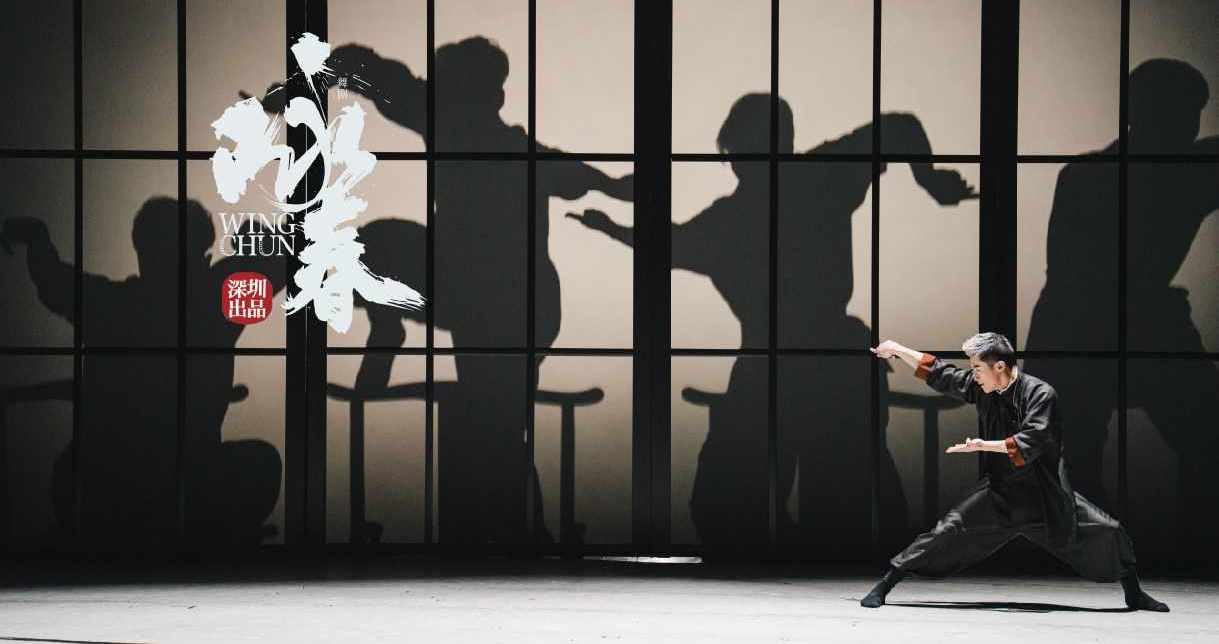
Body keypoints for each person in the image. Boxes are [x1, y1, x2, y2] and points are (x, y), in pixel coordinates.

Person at [256, 36, 632, 543]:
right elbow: (375, 70)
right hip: (477, 293)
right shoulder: (471, 129)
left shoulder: (484, 135)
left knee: (495, 421)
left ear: (488, 95)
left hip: (510, 304)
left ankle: (516, 529)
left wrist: (302, 88)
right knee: (376, 246)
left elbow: (376, 73)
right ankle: (518, 528)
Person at [572, 93, 974, 546]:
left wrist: (613, 229)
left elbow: (669, 244)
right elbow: (898, 127)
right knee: (843, 507)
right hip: (831, 362)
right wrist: (928, 178)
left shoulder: (733, 219)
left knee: (745, 505)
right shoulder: (818, 177)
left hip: (778, 365)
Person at [1, 198, 284, 545]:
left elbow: (51, 279)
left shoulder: (109, 304)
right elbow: (287, 262)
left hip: (101, 491)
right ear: (203, 255)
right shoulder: (217, 301)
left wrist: (38, 238)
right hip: (188, 485)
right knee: (262, 462)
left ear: (141, 250)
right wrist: (257, 243)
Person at [1024, 58, 1219, 555]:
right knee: (1200, 431)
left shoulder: (1085, 175)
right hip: (1121, 318)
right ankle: (1184, 548)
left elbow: (1065, 271)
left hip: (1078, 321)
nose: (1187, 126)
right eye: (1181, 113)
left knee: (1071, 453)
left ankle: (1101, 551)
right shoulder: (1188, 176)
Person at [863, 333, 1168, 612]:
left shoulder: (1041, 394)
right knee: (944, 533)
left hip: (1045, 496)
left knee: (1110, 531)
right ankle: (885, 586)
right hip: (1001, 494)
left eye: (977, 368)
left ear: (999, 366)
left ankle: (1134, 593)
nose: (973, 374)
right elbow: (941, 373)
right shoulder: (983, 388)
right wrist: (898, 348)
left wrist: (984, 445)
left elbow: (1034, 438)